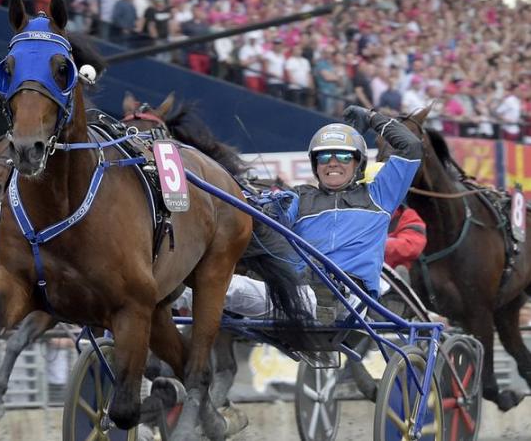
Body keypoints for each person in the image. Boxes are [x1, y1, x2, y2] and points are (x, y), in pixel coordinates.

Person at [177, 106, 423, 324]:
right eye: (325, 156)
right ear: (316, 165)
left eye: (344, 156)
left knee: (322, 293)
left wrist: (371, 117)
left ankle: (325, 298)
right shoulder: (299, 197)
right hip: (294, 292)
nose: (333, 162)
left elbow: (410, 146)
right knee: (207, 288)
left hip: (350, 297)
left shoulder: (380, 195)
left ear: (357, 163)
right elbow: (268, 222)